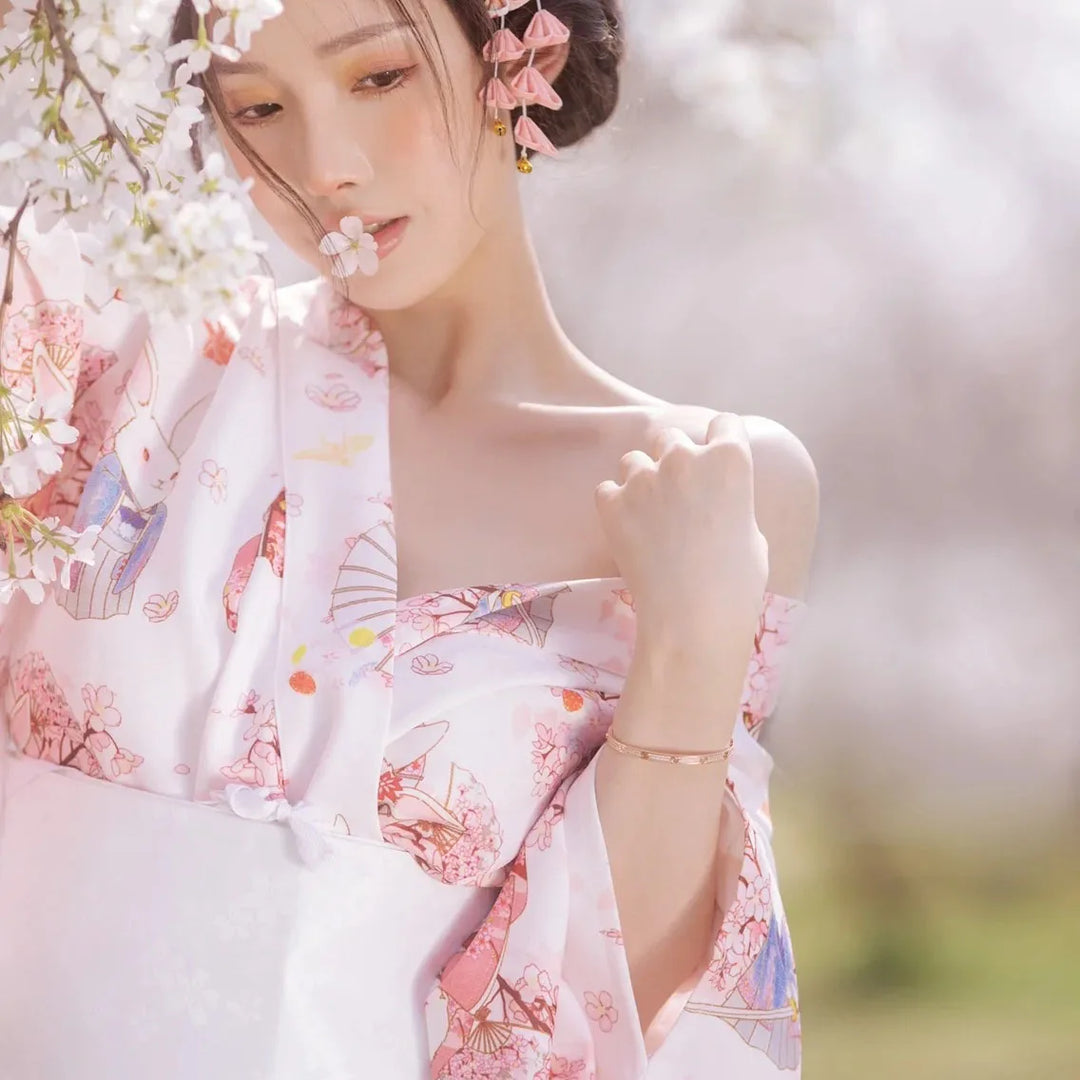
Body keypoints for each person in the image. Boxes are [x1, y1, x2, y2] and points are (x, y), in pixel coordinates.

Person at [0, 0, 819, 1076]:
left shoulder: (712, 485)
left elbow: (620, 1005)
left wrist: (694, 653)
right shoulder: (127, 359)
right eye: (257, 105)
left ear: (519, 55)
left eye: (380, 78)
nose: (325, 164)